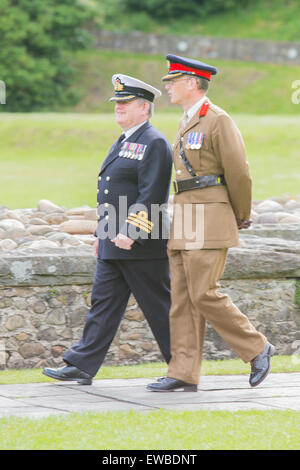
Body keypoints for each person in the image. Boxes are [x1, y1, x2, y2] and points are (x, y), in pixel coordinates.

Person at [147, 54, 275, 392]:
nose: (168, 87)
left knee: (204, 293)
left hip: (210, 213)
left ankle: (257, 347)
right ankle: (183, 371)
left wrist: (241, 213)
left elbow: (239, 172)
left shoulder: (217, 119)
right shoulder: (187, 120)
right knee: (183, 298)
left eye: (173, 82)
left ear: (192, 83)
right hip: (186, 212)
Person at [43, 74, 173, 385]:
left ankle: (183, 368)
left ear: (144, 108)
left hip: (141, 243)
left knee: (160, 308)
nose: (119, 108)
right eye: (117, 103)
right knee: (102, 304)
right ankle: (81, 364)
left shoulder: (154, 142)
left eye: (125, 103)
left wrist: (132, 231)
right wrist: (102, 235)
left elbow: (153, 194)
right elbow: (111, 193)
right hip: (113, 239)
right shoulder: (126, 140)